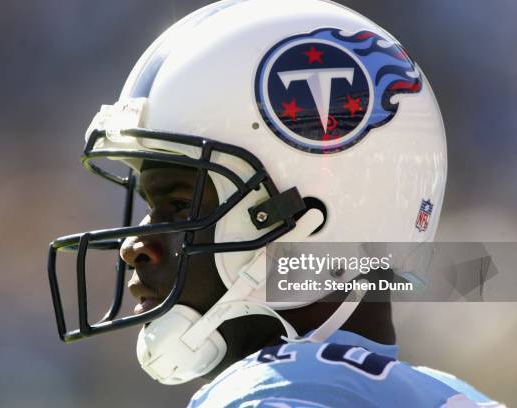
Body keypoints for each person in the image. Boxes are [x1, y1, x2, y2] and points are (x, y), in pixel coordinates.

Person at [48, 0, 504, 406]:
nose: (134, 246)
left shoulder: (274, 393)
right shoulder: (455, 396)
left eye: (180, 204)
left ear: (305, 220)